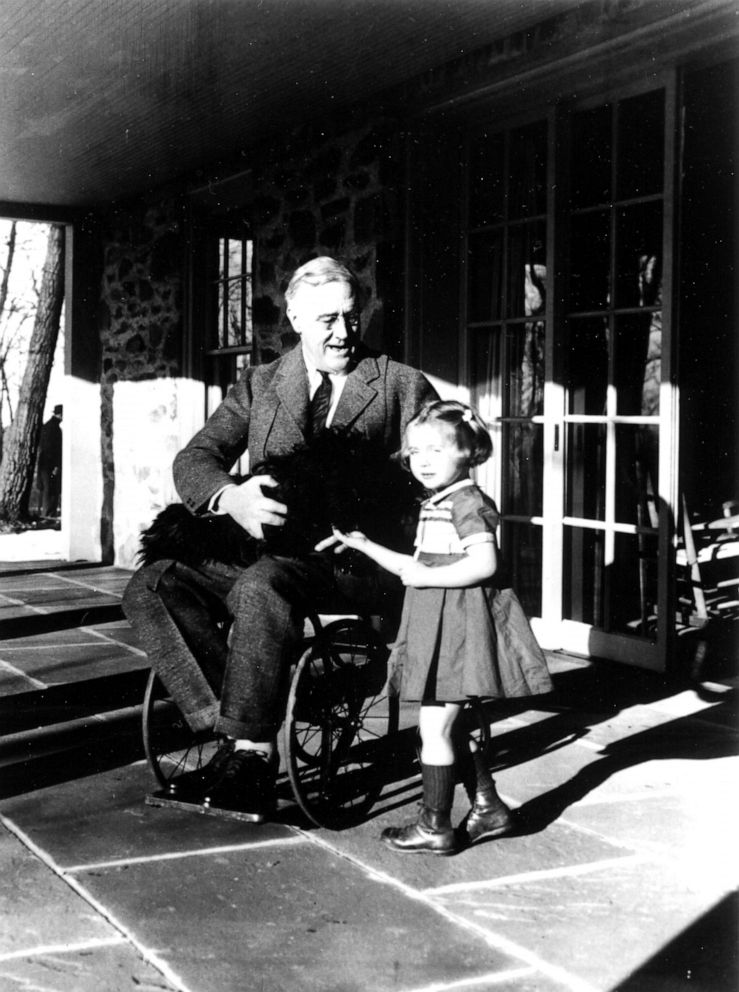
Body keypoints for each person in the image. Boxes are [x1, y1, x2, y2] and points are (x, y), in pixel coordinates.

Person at [122, 257, 437, 822]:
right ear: (294, 316)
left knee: (262, 585)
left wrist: (379, 527)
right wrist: (230, 498)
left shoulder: (399, 384)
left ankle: (252, 753)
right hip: (265, 550)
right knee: (153, 583)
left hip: (346, 563)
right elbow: (195, 457)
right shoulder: (262, 383)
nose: (343, 333)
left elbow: (434, 482)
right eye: (326, 321)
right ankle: (240, 731)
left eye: (350, 316)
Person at [333, 399, 553, 855]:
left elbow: (484, 563)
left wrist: (429, 576)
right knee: (449, 726)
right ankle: (488, 807)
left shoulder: (468, 502)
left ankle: (436, 826)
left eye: (436, 449)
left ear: (468, 451)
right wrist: (365, 545)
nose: (423, 460)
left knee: (434, 730)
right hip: (440, 625)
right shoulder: (440, 501)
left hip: (458, 631)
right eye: (414, 452)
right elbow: (414, 565)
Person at [37, 404, 63, 518]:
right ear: (60, 415)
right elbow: (51, 449)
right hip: (49, 466)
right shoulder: (53, 428)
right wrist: (55, 466)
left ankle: (48, 516)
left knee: (50, 491)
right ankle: (47, 517)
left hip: (46, 465)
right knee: (51, 491)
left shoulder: (50, 426)